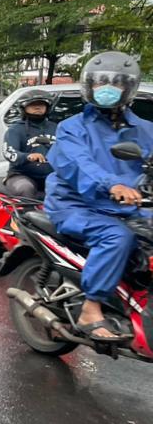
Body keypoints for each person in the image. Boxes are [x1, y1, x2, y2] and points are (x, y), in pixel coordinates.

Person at [45, 51, 153, 343]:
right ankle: (91, 308)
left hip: (133, 207)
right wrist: (112, 185)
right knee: (118, 237)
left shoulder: (145, 130)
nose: (107, 89)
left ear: (129, 88)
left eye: (116, 83)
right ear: (88, 86)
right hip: (77, 206)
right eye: (100, 83)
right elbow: (79, 164)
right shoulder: (72, 128)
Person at [2, 94, 56, 199]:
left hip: (51, 176)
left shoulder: (57, 128)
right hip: (21, 175)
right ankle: (25, 214)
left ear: (47, 108)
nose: (37, 107)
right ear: (24, 108)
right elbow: (9, 152)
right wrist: (28, 156)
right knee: (25, 188)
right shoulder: (15, 130)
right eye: (32, 105)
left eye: (41, 105)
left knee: (68, 189)